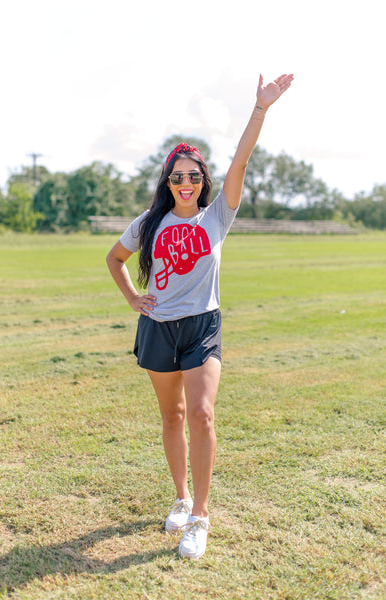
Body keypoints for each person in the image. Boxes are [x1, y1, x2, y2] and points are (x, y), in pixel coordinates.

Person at [106, 73, 294, 559]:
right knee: (172, 414)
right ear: (167, 182)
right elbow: (114, 259)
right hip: (158, 327)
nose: (185, 182)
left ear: (203, 182)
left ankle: (200, 516)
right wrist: (132, 299)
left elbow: (241, 160)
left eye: (193, 176)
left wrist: (261, 109)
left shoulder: (217, 216)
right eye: (177, 176)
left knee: (203, 415)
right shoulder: (149, 223)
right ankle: (180, 497)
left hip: (201, 327)